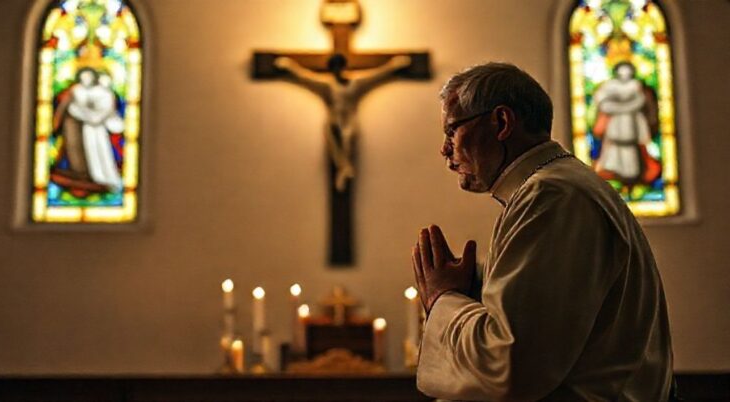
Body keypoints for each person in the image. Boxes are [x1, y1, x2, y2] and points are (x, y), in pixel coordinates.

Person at [411, 62, 673, 401]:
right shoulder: (557, 187)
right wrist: (474, 294)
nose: (444, 149)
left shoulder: (552, 196)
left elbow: (510, 364)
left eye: (452, 131)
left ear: (501, 122)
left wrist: (443, 298)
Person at [274, 53, 412, 191]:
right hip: (335, 120)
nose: (337, 71)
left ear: (343, 67)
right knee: (331, 135)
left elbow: (376, 76)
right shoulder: (328, 86)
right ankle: (343, 167)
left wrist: (394, 65)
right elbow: (305, 77)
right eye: (334, 68)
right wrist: (290, 67)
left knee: (348, 137)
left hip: (349, 120)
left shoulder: (355, 84)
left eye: (339, 67)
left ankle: (344, 168)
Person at [592, 61, 657, 185]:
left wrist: (621, 107)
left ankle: (632, 177)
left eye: (627, 71)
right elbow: (603, 103)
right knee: (614, 152)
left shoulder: (636, 86)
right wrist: (624, 107)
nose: (625, 74)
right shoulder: (609, 87)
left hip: (631, 125)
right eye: (622, 71)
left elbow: (640, 101)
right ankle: (615, 176)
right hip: (615, 128)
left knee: (630, 154)